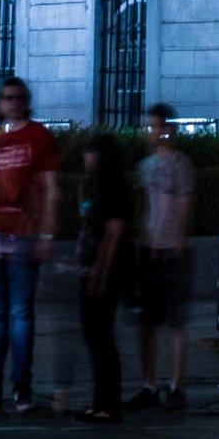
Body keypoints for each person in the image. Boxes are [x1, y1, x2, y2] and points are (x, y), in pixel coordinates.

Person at [0, 76, 55, 417]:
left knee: (19, 314)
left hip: (23, 234)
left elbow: (51, 189)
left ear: (26, 101)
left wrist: (46, 234)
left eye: (18, 97)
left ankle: (20, 387)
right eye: (7, 97)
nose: (13, 102)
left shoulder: (39, 136)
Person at [67, 124, 137, 423]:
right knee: (95, 336)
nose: (86, 157)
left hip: (105, 270)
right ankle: (101, 401)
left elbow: (113, 233)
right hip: (91, 267)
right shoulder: (95, 185)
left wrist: (102, 271)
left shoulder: (114, 187)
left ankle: (109, 404)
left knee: (101, 336)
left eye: (90, 152)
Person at [128, 103, 196, 411]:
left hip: (172, 250)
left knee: (175, 321)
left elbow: (183, 207)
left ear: (168, 128)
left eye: (156, 126)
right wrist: (146, 240)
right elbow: (144, 207)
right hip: (150, 250)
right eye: (149, 127)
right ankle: (149, 384)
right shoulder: (145, 166)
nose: (152, 133)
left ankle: (176, 385)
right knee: (149, 321)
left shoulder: (181, 165)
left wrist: (176, 241)